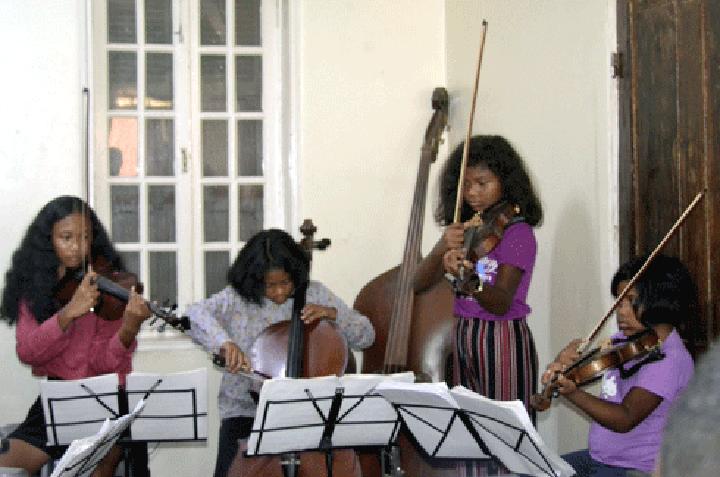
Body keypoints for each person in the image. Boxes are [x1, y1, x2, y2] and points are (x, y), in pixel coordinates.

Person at [185, 228, 375, 477]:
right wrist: (225, 343)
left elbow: (366, 335)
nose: (279, 292)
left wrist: (332, 314)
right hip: (246, 415)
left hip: (309, 417)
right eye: (269, 285)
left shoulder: (314, 293)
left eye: (285, 283)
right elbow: (194, 314)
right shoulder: (237, 299)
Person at [0, 195, 152, 477]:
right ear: (48, 239)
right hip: (58, 397)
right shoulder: (33, 289)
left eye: (85, 237)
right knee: (6, 465)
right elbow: (29, 353)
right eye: (66, 237)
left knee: (100, 463)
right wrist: (68, 313)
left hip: (106, 398)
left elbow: (104, 363)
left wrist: (128, 329)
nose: (77, 247)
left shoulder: (106, 285)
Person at [415, 135, 542, 415]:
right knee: (471, 424)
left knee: (505, 424)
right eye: (466, 184)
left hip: (501, 338)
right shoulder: (469, 228)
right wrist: (442, 247)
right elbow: (418, 283)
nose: (472, 193)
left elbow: (501, 303)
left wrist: (467, 278)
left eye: (482, 184)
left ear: (505, 182)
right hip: (465, 333)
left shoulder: (517, 233)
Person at [543, 254, 696, 477]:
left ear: (659, 301)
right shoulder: (625, 342)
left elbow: (626, 418)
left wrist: (573, 393)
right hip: (600, 459)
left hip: (635, 469)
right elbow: (579, 373)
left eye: (630, 301)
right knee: (533, 471)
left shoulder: (669, 359)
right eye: (618, 302)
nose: (621, 312)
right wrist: (562, 366)